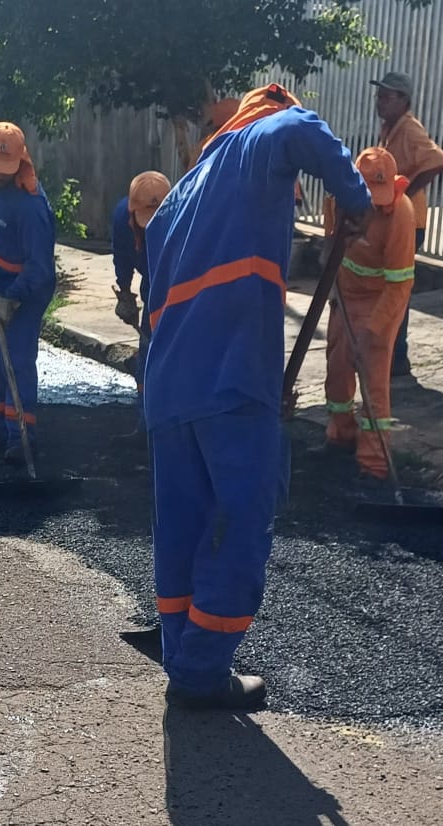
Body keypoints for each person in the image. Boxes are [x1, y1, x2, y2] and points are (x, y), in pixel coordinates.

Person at [143, 86, 372, 711]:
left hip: (168, 388)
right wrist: (355, 196)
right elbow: (301, 128)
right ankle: (201, 670)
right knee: (244, 518)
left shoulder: (181, 196)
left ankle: (182, 653)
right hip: (230, 377)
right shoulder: (259, 137)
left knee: (182, 523)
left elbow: (163, 302)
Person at [320, 148, 417, 479]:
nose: (373, 206)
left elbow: (399, 285)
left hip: (380, 301)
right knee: (337, 368)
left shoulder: (401, 215)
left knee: (374, 381)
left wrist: (374, 330)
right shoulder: (337, 200)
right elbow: (331, 244)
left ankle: (374, 464)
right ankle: (341, 436)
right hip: (346, 294)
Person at [0, 122, 56, 463]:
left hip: (28, 284)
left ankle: (22, 437)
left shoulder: (32, 208)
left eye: (6, 170)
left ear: (21, 161)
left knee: (16, 359)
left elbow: (40, 268)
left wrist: (12, 298)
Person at [371, 71, 443, 376]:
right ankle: (389, 352)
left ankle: (396, 357)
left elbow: (438, 159)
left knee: (396, 287)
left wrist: (406, 192)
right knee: (387, 286)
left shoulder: (410, 129)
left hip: (409, 223)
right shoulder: (390, 127)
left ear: (403, 100)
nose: (380, 102)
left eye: (386, 97)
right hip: (395, 220)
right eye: (379, 96)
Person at [111, 170, 171, 435]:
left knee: (170, 358)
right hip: (151, 284)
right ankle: (146, 422)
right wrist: (125, 294)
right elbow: (123, 258)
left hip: (178, 290)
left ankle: (171, 423)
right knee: (148, 360)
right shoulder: (122, 218)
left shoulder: (183, 220)